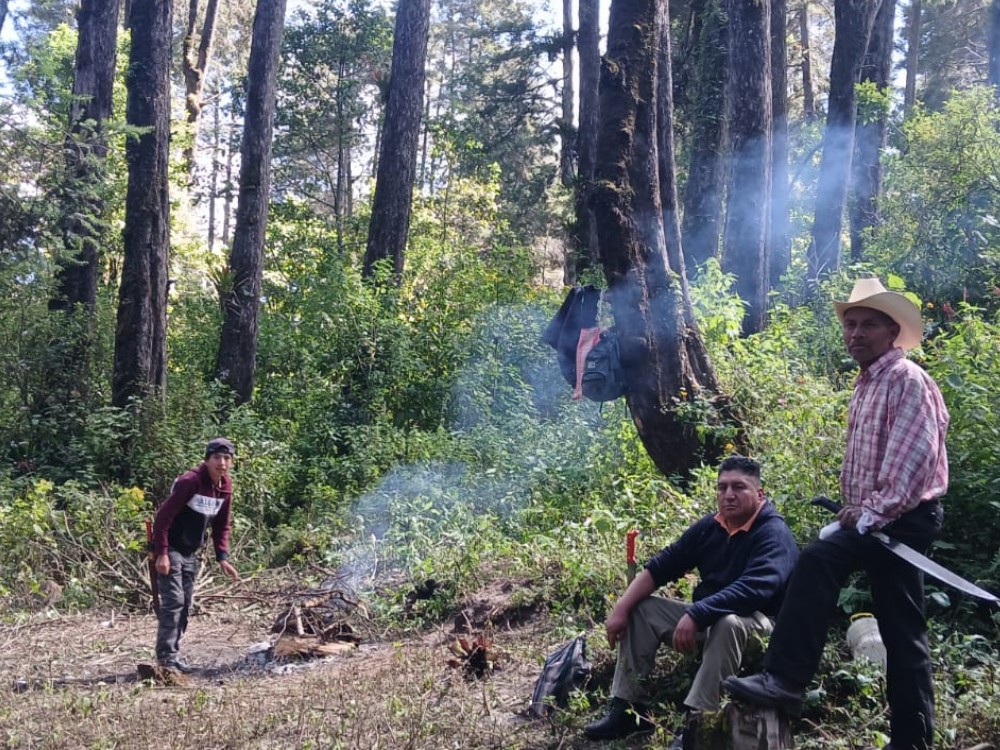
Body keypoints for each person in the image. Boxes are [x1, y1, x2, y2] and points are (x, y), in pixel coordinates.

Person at [724, 278, 949, 750]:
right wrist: (856, 508)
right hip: (883, 516)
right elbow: (873, 464)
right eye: (851, 325)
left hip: (903, 519)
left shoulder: (907, 380)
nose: (857, 334)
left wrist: (870, 514)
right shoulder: (868, 382)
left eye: (869, 325)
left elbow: (912, 463)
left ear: (893, 332)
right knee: (902, 628)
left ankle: (784, 678)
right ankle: (913, 741)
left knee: (818, 559)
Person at [584, 456, 799, 746]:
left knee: (728, 621)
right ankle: (627, 707)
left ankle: (698, 722)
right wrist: (620, 608)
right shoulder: (710, 527)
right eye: (722, 488)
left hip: (762, 627)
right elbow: (662, 566)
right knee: (642, 609)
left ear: (760, 494)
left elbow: (755, 590)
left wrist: (699, 613)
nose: (729, 495)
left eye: (739, 487)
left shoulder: (774, 534)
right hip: (708, 618)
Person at [152, 438, 241, 672]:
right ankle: (166, 658)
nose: (222, 463)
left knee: (186, 604)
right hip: (170, 547)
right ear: (207, 459)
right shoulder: (190, 482)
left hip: (191, 551)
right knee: (174, 601)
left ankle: (173, 655)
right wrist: (161, 553)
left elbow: (222, 524)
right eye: (217, 458)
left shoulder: (225, 486)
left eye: (227, 458)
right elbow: (162, 518)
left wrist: (222, 556)